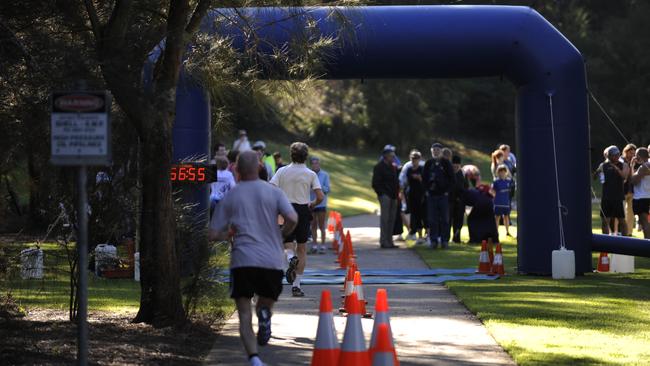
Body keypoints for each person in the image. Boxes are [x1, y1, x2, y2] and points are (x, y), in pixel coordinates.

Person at [208, 151, 298, 366]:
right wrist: (282, 234)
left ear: (236, 170)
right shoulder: (273, 192)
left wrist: (227, 234)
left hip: (243, 260)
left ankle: (255, 359)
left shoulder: (232, 195)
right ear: (259, 167)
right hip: (271, 260)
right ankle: (265, 313)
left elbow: (212, 234)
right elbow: (293, 218)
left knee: (245, 313)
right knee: (265, 301)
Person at [270, 142, 324, 297]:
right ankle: (296, 285)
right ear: (306, 156)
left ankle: (289, 257)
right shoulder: (310, 174)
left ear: (291, 155)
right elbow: (320, 196)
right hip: (302, 210)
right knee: (302, 248)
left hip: (285, 210)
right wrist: (312, 204)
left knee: (286, 242)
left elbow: (271, 188)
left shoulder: (282, 171)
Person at [423, 142, 454, 249]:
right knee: (432, 219)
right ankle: (434, 241)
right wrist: (427, 190)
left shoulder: (446, 163)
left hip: (443, 195)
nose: (435, 152)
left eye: (437, 150)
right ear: (431, 152)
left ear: (441, 151)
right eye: (434, 150)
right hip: (431, 195)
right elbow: (424, 178)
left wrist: (447, 191)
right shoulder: (428, 163)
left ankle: (445, 241)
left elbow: (452, 179)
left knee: (445, 219)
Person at [595, 146, 629, 235]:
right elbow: (595, 176)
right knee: (605, 221)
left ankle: (625, 241)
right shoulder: (603, 165)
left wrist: (615, 168)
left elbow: (624, 176)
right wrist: (597, 172)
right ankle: (605, 243)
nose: (613, 157)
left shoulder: (623, 165)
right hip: (606, 197)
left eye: (615, 155)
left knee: (622, 220)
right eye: (610, 156)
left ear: (618, 154)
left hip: (618, 197)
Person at [372, 146, 400, 249]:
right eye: (391, 156)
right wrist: (382, 194)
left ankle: (390, 241)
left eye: (393, 156)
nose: (393, 157)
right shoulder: (379, 167)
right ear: (385, 156)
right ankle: (383, 241)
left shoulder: (393, 167)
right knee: (385, 219)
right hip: (385, 196)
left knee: (392, 219)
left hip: (394, 195)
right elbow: (375, 183)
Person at [404, 150, 427, 244]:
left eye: (416, 159)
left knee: (423, 215)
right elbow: (409, 179)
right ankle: (418, 235)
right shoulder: (409, 169)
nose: (414, 160)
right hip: (412, 195)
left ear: (419, 159)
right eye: (413, 159)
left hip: (421, 194)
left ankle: (426, 235)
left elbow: (424, 180)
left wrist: (419, 177)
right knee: (415, 215)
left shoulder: (422, 168)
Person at [309, 157, 331, 254]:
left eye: (317, 163)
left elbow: (327, 189)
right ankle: (314, 245)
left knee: (322, 225)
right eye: (313, 163)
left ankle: (322, 245)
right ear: (311, 165)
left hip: (321, 203)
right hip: (312, 203)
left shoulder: (325, 175)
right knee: (313, 225)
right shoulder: (308, 174)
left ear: (319, 164)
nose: (315, 165)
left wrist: (317, 186)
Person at [630, 147, 650, 238]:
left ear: (639, 156)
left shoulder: (643, 167)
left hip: (642, 198)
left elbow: (633, 181)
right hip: (646, 196)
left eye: (636, 155)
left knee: (644, 222)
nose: (634, 157)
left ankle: (647, 243)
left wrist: (632, 166)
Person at [449, 155, 469, 243]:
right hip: (450, 201)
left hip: (460, 201)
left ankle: (456, 238)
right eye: (454, 166)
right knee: (448, 220)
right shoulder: (449, 173)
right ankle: (446, 238)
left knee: (459, 220)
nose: (455, 168)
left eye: (457, 166)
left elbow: (466, 187)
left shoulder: (463, 174)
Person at [491, 165, 514, 237]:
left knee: (506, 217)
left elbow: (512, 190)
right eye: (500, 172)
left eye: (503, 171)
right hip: (498, 203)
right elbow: (493, 191)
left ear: (506, 172)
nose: (502, 173)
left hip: (506, 203)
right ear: (498, 172)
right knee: (497, 217)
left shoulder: (509, 181)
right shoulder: (496, 181)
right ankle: (495, 232)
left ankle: (507, 231)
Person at [622, 143, 637, 235]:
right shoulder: (620, 160)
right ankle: (620, 231)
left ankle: (629, 232)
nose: (632, 155)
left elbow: (633, 177)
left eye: (633, 153)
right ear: (626, 152)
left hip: (631, 190)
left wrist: (632, 166)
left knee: (630, 213)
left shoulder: (635, 162)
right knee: (621, 213)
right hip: (622, 190)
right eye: (630, 153)